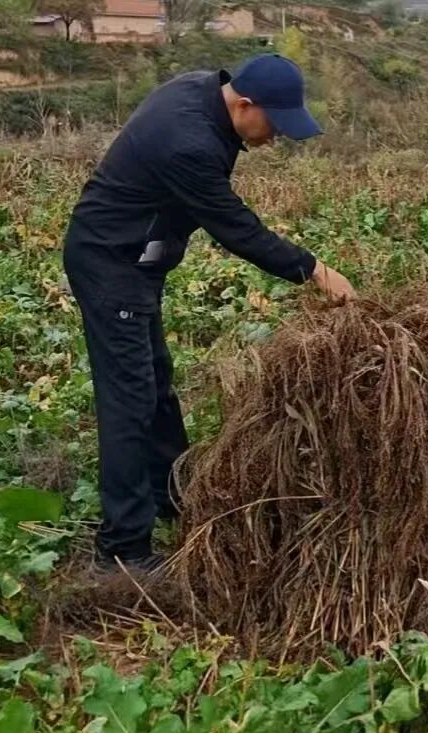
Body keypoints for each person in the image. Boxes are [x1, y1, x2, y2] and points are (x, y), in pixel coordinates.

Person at [63, 54, 355, 573]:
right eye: (274, 126)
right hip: (111, 263)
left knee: (155, 385)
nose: (274, 139)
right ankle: (122, 552)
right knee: (129, 402)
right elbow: (235, 227)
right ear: (244, 104)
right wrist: (314, 270)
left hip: (135, 262)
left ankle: (174, 499)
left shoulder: (201, 90)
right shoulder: (189, 143)